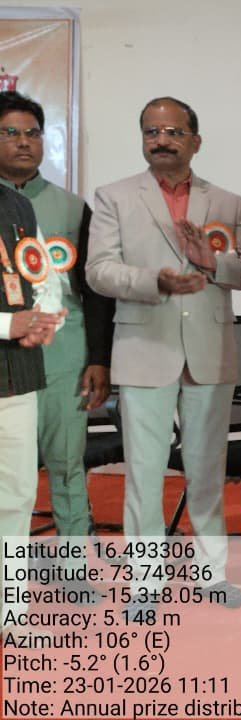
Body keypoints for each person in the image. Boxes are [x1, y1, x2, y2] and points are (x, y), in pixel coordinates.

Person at [86, 96, 241, 607]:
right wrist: (153, 281)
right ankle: (145, 584)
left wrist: (214, 263)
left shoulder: (226, 201)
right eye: (151, 132)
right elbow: (98, 271)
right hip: (143, 346)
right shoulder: (114, 196)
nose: (161, 140)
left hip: (210, 351)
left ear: (195, 141)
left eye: (173, 132)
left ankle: (211, 576)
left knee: (207, 469)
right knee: (143, 472)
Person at [0, 92, 113, 569]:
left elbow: (95, 291)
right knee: (10, 477)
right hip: (7, 360)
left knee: (67, 464)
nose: (24, 142)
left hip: (65, 356)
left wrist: (98, 358)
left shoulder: (72, 207)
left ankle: (73, 568)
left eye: (33, 133)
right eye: (10, 133)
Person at [0, 182, 65, 633]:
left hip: (17, 375)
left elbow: (46, 277)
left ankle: (11, 611)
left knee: (17, 495)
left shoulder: (17, 204)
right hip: (11, 341)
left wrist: (45, 317)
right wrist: (9, 324)